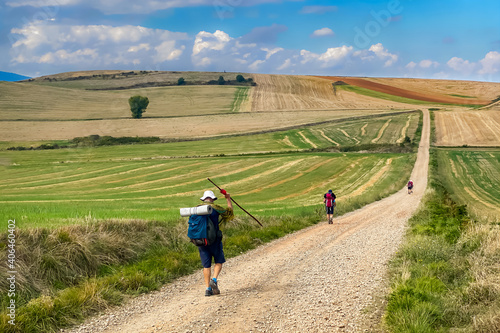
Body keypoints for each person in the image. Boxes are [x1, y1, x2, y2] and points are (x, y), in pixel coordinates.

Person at [197, 189, 234, 296]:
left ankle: (208, 289)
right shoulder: (216, 208)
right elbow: (229, 214)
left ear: (203, 199)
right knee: (218, 261)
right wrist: (228, 199)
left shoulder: (196, 209)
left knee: (206, 265)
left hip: (201, 241)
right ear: (212, 199)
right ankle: (214, 279)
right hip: (215, 240)